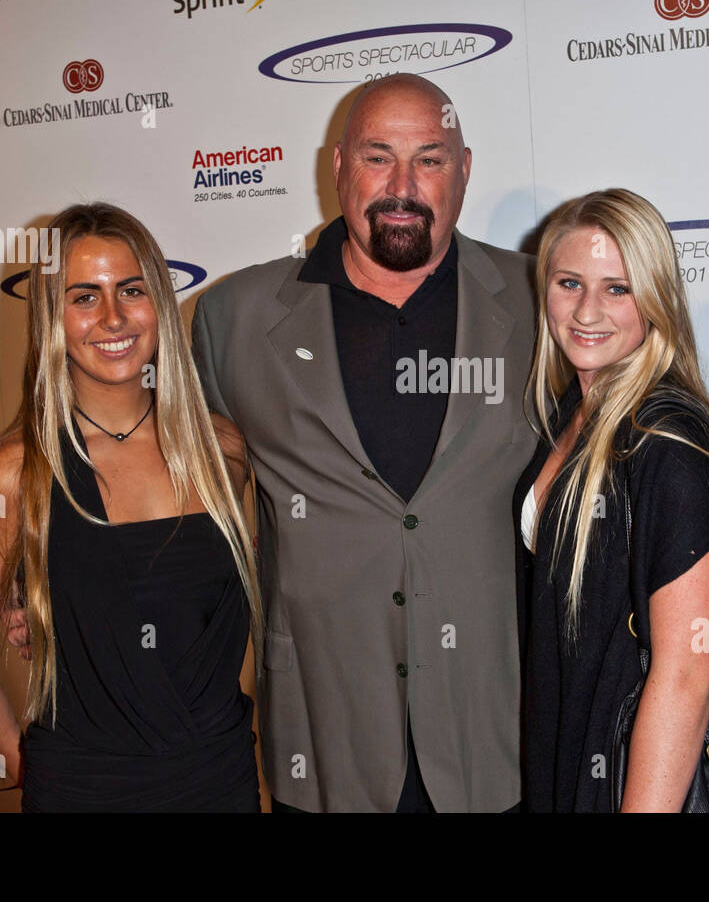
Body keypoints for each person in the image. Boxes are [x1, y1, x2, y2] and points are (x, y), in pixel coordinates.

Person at [191, 74, 536, 812]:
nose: (403, 186)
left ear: (465, 169)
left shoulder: (544, 304)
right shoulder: (233, 320)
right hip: (322, 736)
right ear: (339, 166)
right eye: (379, 157)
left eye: (431, 159)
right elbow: (161, 482)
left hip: (494, 737)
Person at [0, 202, 265, 811]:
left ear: (159, 303)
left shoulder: (222, 450)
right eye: (84, 296)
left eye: (131, 290)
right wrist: (41, 773)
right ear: (51, 317)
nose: (113, 317)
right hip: (84, 791)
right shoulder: (16, 472)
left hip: (219, 780)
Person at [514, 188, 709, 812]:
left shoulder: (669, 442)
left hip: (625, 777)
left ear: (656, 298)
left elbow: (687, 674)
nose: (588, 310)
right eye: (569, 282)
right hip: (564, 754)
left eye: (617, 288)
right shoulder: (571, 414)